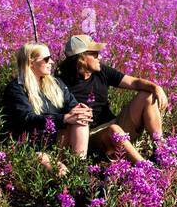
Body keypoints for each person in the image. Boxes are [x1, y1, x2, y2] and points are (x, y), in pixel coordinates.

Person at [56, 34, 168, 162]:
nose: (100, 57)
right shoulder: (60, 82)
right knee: (115, 130)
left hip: (114, 125)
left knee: (147, 95)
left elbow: (134, 82)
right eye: (95, 54)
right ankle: (144, 167)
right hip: (89, 135)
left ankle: (161, 150)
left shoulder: (101, 71)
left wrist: (155, 87)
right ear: (82, 57)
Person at [3, 42, 93, 172]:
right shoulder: (16, 88)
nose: (51, 62)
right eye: (46, 59)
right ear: (31, 62)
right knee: (60, 171)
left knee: (81, 120)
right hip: (32, 147)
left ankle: (78, 169)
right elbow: (27, 119)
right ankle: (70, 181)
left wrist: (81, 110)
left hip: (55, 141)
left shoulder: (56, 83)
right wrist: (64, 118)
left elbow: (71, 104)